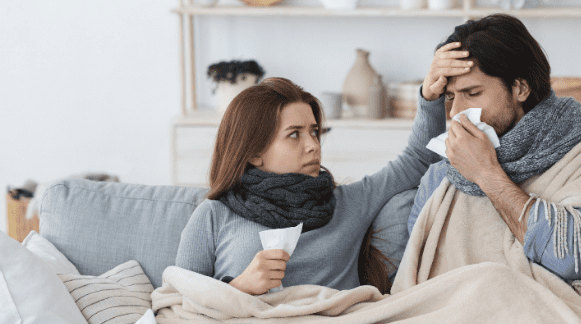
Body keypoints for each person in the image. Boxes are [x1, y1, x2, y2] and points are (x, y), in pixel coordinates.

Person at [175, 44, 475, 296]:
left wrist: (430, 95)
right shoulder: (214, 214)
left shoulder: (348, 202)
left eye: (315, 132)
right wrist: (239, 287)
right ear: (254, 152)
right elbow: (178, 301)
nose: (313, 145)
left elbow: (416, 159)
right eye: (295, 134)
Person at [407, 13, 581, 324]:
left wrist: (486, 173)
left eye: (472, 93)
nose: (459, 113)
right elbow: (417, 275)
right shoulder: (444, 174)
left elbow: (571, 258)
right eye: (450, 98)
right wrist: (428, 99)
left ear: (520, 88)